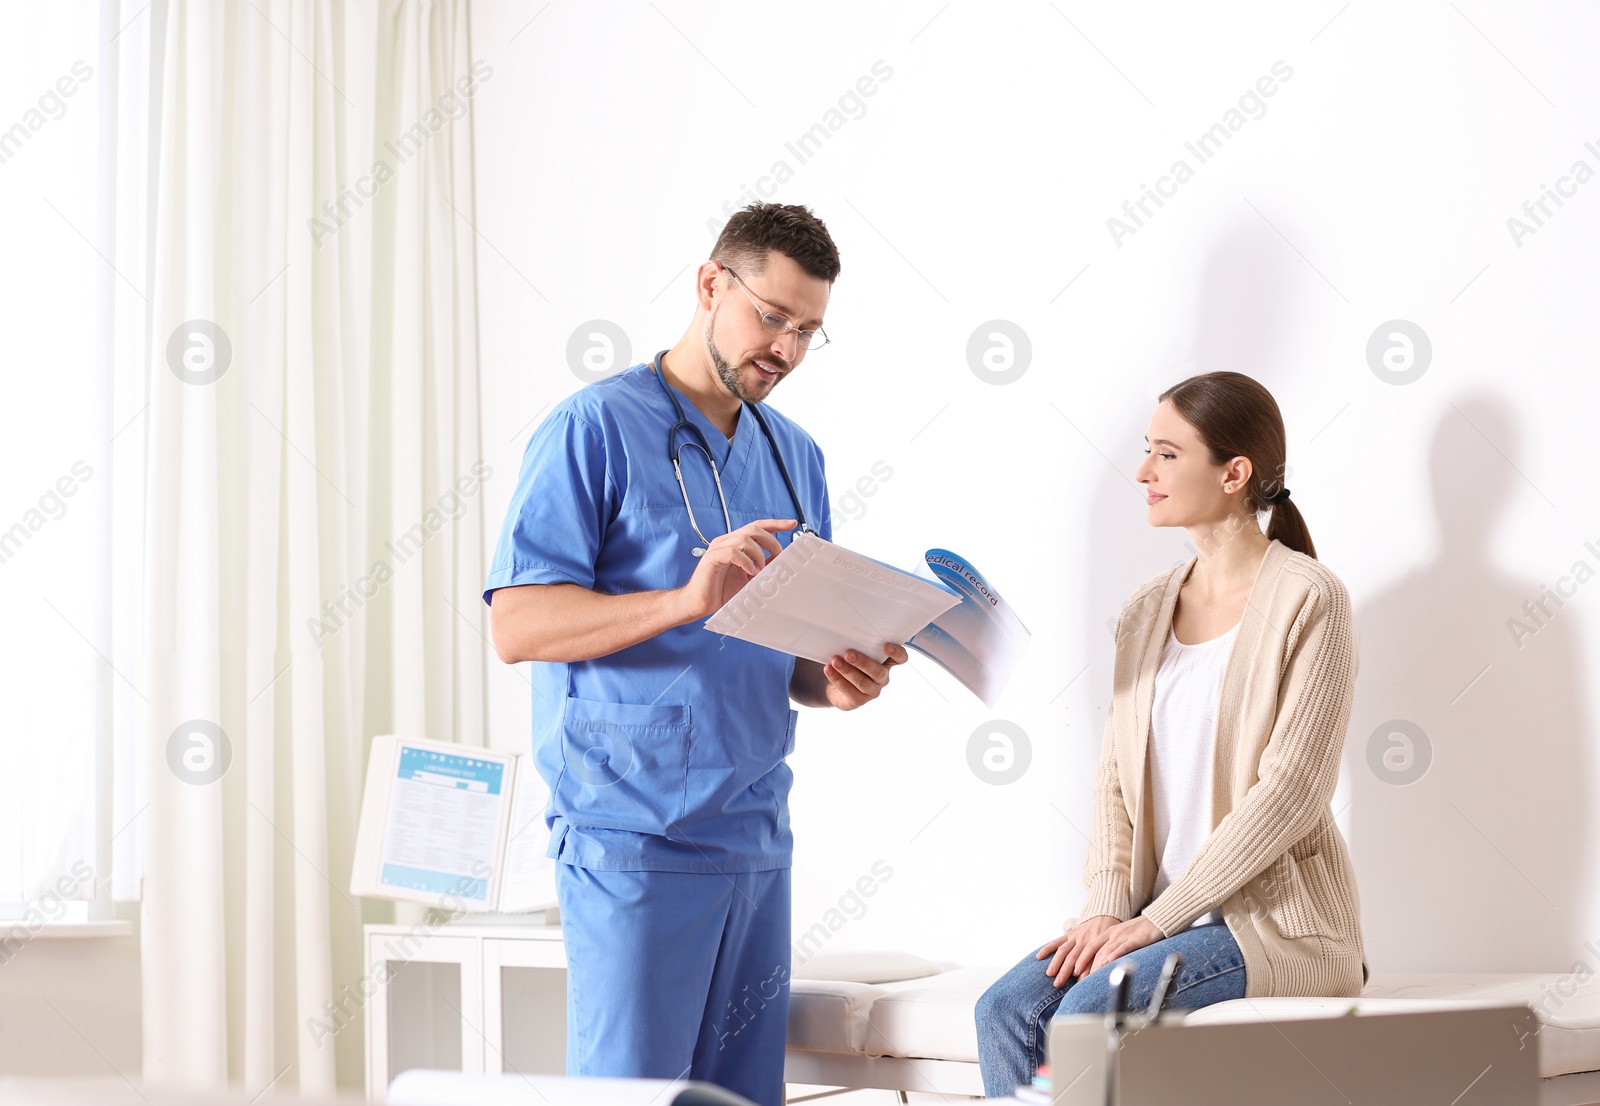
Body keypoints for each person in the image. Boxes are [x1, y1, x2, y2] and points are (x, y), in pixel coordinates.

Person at [483, 202, 908, 1106]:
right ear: (712, 283)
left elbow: (793, 663)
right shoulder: (590, 429)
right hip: (632, 837)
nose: (786, 350)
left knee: (741, 1103)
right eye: (772, 317)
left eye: (808, 332)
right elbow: (517, 626)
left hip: (754, 839)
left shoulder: (795, 458)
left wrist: (840, 682)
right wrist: (684, 600)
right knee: (635, 1100)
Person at [975, 371, 1369, 1097]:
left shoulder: (1311, 598)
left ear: (1234, 473)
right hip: (1156, 916)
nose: (1143, 471)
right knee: (1004, 1010)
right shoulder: (1147, 608)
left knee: (1093, 1009)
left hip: (1270, 925)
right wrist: (1104, 910)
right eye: (1146, 450)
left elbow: (1291, 793)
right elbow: (1115, 779)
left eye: (1166, 453)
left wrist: (1157, 921)